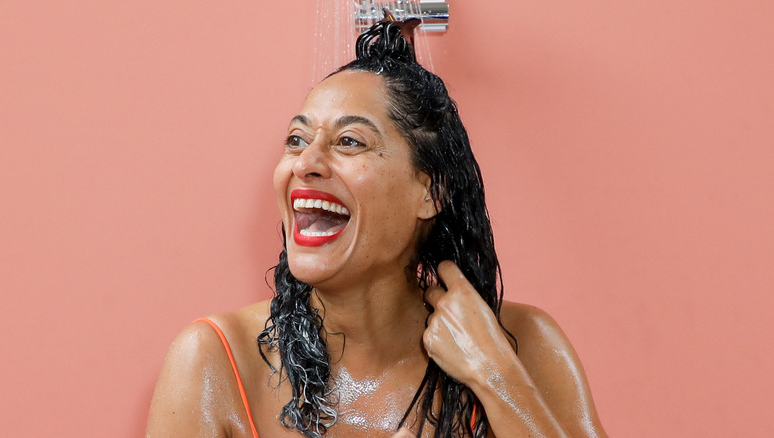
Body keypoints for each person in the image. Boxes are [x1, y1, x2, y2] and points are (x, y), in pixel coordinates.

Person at [147, 15, 607, 438]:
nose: (305, 163)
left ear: (431, 192)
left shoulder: (524, 346)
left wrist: (495, 377)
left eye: (350, 141)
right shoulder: (214, 364)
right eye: (296, 139)